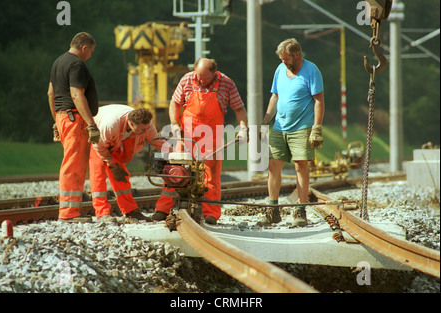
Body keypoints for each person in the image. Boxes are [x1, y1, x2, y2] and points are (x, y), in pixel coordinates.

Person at [152, 58, 248, 224]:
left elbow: (239, 108)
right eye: (198, 76)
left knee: (210, 174)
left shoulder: (226, 84)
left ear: (214, 73)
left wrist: (243, 128)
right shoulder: (188, 79)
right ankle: (162, 209)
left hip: (211, 134)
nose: (200, 80)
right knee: (176, 169)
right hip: (187, 132)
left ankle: (211, 213)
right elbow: (174, 102)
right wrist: (174, 123)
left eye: (204, 78)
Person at [262, 38, 324, 227]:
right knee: (273, 166)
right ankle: (273, 210)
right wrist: (265, 121)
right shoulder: (280, 70)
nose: (283, 62)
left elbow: (319, 100)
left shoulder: (311, 70)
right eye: (281, 59)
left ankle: (300, 210)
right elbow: (275, 96)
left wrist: (317, 127)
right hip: (280, 127)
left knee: (300, 167)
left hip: (302, 128)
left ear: (297, 55)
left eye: (286, 58)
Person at [47, 32, 100, 223]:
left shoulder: (58, 62)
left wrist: (56, 120)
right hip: (74, 119)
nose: (91, 55)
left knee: (74, 163)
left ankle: (73, 210)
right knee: (74, 165)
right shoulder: (77, 64)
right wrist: (92, 125)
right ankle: (68, 212)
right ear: (84, 47)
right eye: (91, 51)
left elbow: (51, 93)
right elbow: (77, 95)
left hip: (64, 118)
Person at [89, 104, 167, 222]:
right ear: (131, 124)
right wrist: (112, 165)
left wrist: (175, 154)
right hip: (97, 139)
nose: (145, 132)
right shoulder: (110, 125)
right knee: (98, 173)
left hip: (112, 142)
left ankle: (130, 211)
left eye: (146, 129)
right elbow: (99, 146)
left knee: (122, 175)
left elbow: (157, 141)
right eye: (141, 130)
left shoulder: (146, 125)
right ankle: (102, 213)